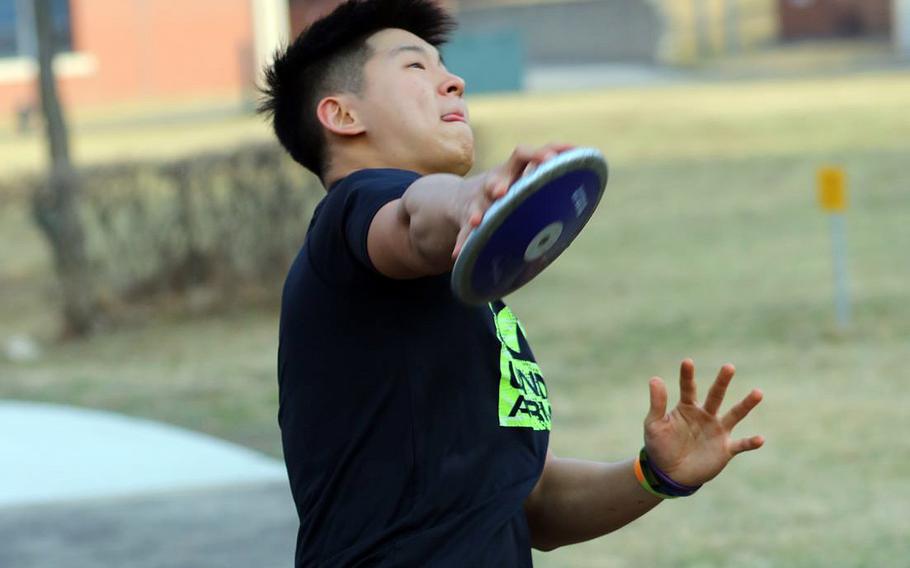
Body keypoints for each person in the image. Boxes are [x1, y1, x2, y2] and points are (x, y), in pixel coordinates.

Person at [259, 0, 765, 566]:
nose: (454, 81)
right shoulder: (353, 216)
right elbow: (412, 218)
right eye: (416, 68)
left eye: (444, 65)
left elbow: (529, 502)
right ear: (343, 115)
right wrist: (467, 196)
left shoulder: (463, 292)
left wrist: (656, 475)